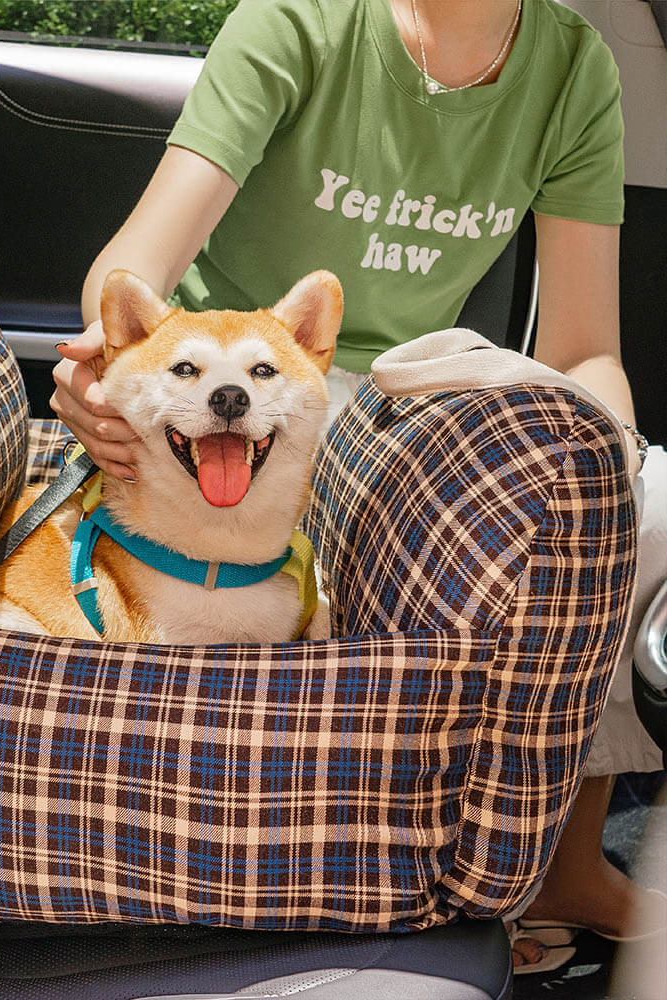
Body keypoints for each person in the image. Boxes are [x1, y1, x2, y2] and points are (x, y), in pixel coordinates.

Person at [49, 0, 666, 972]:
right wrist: (105, 365)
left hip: (426, 384)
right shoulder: (297, 21)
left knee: (652, 505)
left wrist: (611, 453)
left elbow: (585, 349)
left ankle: (565, 853)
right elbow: (136, 263)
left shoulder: (572, 68)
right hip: (260, 391)